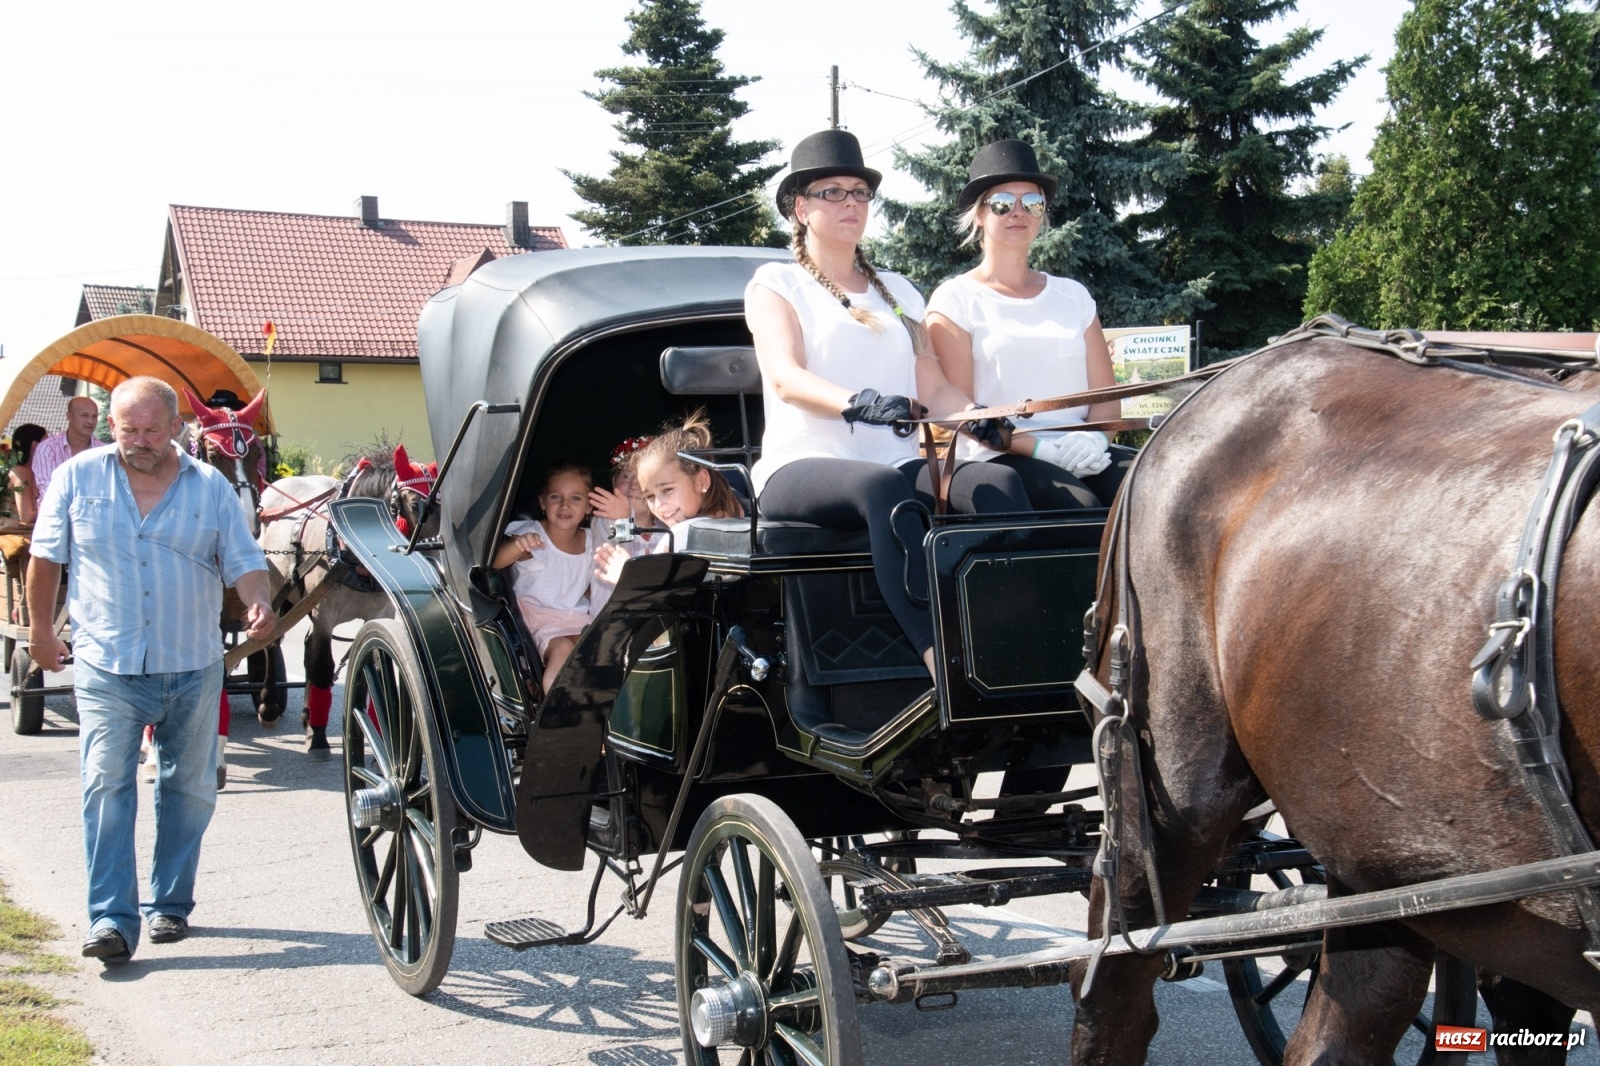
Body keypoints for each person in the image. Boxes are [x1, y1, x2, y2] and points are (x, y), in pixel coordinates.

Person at [744, 129, 1029, 677]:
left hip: (891, 457)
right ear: (801, 207)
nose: (851, 203)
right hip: (800, 464)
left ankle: (1004, 634)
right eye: (834, 192)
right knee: (883, 489)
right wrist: (860, 403)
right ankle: (938, 655)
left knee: (999, 485)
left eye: (860, 192)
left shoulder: (898, 290)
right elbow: (785, 378)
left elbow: (934, 386)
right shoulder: (776, 283)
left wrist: (976, 419)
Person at [26, 376, 272, 965]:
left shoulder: (209, 485)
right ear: (112, 426)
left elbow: (243, 559)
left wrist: (258, 599)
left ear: (174, 428)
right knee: (105, 786)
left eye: (151, 430)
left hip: (191, 663)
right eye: (127, 429)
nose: (139, 440)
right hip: (107, 664)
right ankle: (112, 919)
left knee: (187, 789)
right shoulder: (76, 479)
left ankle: (170, 904)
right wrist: (38, 630)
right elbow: (45, 558)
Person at [926, 139, 1127, 509]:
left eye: (1032, 203)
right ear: (980, 214)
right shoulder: (955, 299)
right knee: (1081, 507)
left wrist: (1096, 440)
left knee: (1156, 490)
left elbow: (1105, 400)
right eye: (1003, 203)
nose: (1018, 212)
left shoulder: (1074, 296)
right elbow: (961, 411)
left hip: (1083, 448)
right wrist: (1042, 449)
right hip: (1001, 452)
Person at [593, 412, 744, 584]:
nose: (659, 505)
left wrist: (626, 576)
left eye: (667, 490)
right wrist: (623, 519)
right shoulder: (735, 517)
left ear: (702, 480)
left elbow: (656, 595)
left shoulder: (678, 534)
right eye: (649, 496)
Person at [494, 462, 607, 687]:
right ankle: (555, 712)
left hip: (575, 617)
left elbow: (585, 585)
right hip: (538, 618)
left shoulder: (592, 539)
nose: (565, 505)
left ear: (588, 507)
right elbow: (495, 562)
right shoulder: (532, 535)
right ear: (543, 502)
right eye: (556, 497)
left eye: (575, 498)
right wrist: (519, 546)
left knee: (604, 642)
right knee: (563, 648)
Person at [32, 395, 107, 500]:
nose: (90, 421)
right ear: (69, 416)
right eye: (85, 415)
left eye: (94, 416)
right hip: (56, 514)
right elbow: (48, 492)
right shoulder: (47, 449)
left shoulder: (104, 452)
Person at [4, 424, 48, 527]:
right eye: (46, 443)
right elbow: (27, 517)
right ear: (35, 446)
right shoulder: (22, 472)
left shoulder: (31, 472)